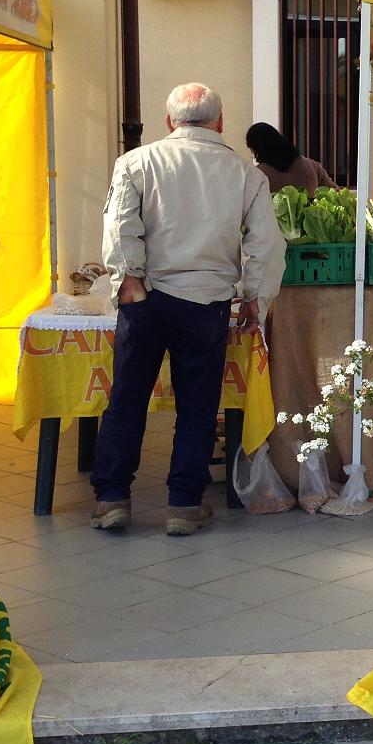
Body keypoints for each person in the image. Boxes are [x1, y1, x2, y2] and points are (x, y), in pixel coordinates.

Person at [91, 84, 285, 536]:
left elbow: (119, 227)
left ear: (169, 121)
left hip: (144, 299)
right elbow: (266, 244)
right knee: (198, 406)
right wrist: (255, 297)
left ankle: (111, 498)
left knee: (127, 400)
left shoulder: (135, 162)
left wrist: (129, 279)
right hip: (206, 302)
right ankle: (183, 504)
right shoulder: (245, 174)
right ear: (220, 122)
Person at [245, 122, 336, 197]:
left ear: (257, 150)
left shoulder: (258, 175)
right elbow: (335, 194)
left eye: (253, 153)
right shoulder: (313, 167)